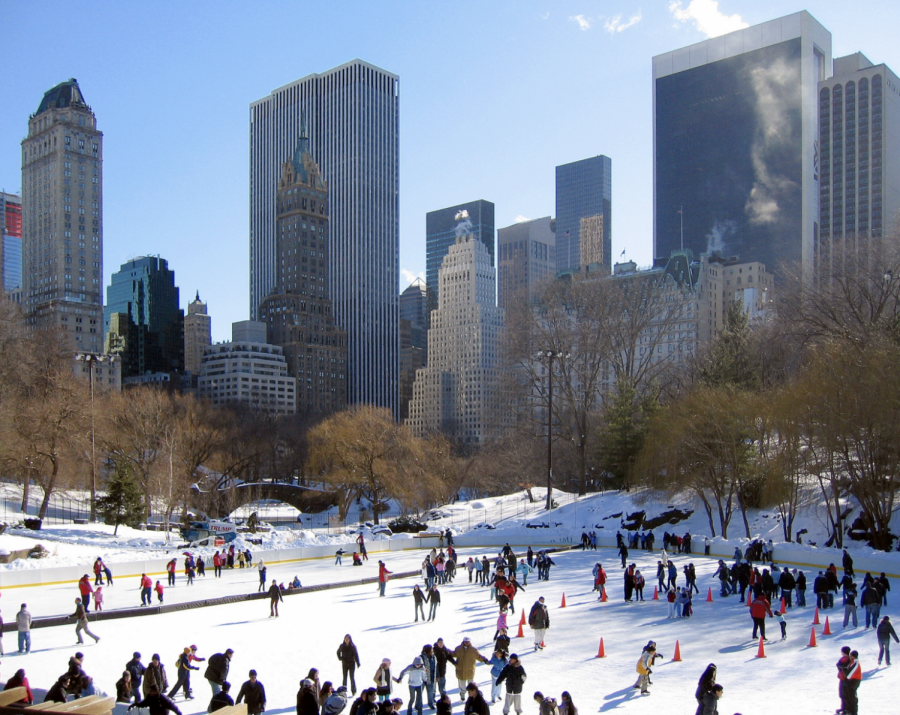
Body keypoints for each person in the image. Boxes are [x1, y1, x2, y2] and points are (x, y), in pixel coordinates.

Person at [838, 649, 862, 715]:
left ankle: (853, 712)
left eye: (851, 655)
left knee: (852, 697)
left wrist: (843, 668)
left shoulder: (856, 663)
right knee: (847, 695)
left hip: (854, 681)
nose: (849, 656)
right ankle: (848, 710)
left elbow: (848, 675)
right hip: (850, 681)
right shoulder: (852, 661)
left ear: (853, 656)